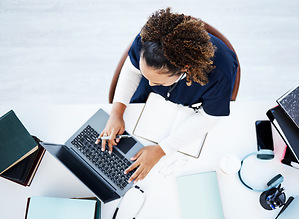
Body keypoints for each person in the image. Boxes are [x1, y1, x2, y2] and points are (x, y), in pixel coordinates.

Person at [96, 8, 238, 183]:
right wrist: (116, 113)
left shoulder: (221, 71)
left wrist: (160, 150)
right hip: (146, 108)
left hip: (187, 111)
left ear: (185, 68)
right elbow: (132, 70)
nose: (150, 84)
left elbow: (209, 117)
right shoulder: (148, 39)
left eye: (158, 82)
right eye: (146, 76)